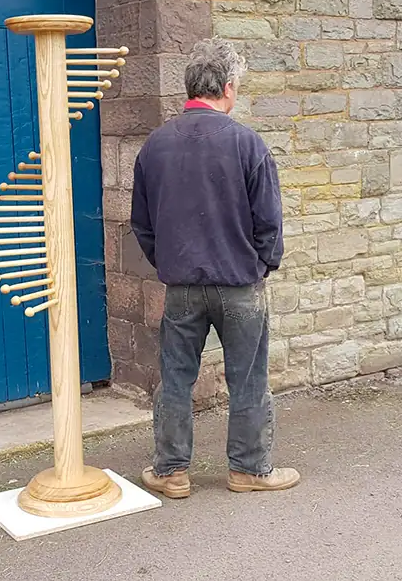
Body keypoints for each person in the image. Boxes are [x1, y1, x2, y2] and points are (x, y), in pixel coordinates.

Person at [130, 38, 300, 498]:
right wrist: (262, 265)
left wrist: (169, 262)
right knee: (248, 378)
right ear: (227, 87)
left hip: (182, 285)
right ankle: (248, 470)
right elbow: (269, 220)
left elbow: (142, 224)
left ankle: (171, 472)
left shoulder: (155, 145)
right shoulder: (248, 143)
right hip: (240, 283)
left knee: (175, 377)